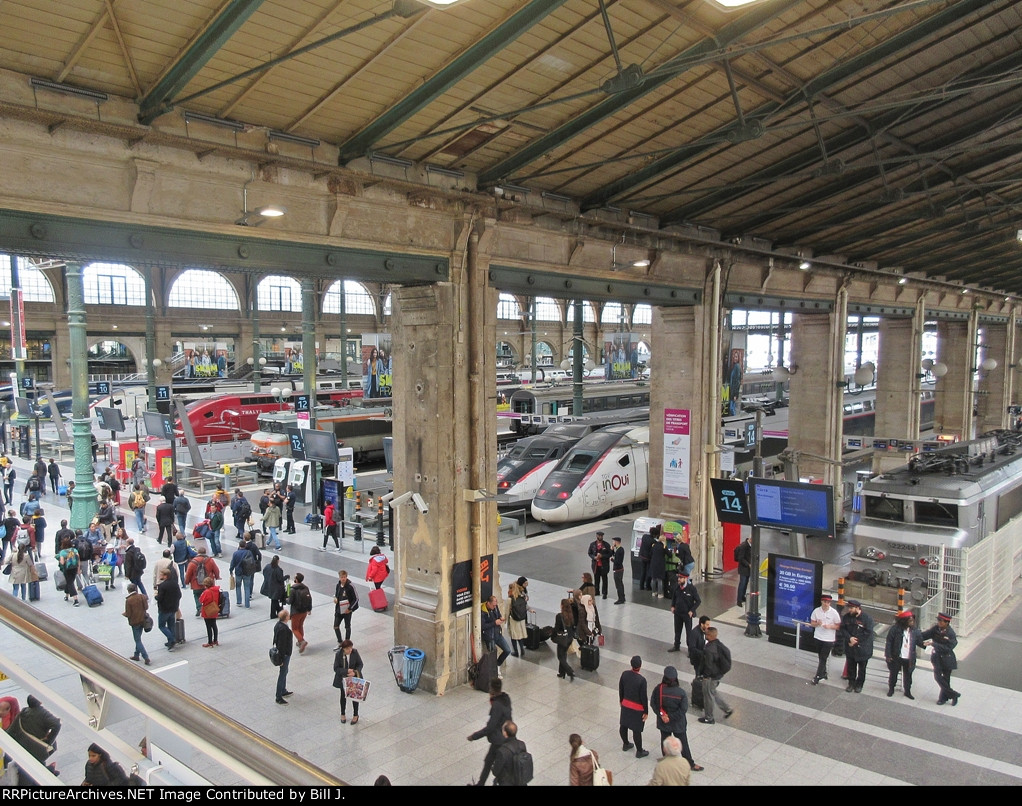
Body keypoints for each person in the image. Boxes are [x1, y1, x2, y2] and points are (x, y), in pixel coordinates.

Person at [650, 665, 702, 771]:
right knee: (683, 742)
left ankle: (666, 762)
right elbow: (683, 710)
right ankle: (690, 763)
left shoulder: (658, 689)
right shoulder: (681, 692)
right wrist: (671, 717)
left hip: (663, 722)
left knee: (665, 741)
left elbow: (653, 703)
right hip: (678, 723)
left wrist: (662, 715)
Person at [2, 694, 61, 783]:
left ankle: (47, 772)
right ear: (40, 702)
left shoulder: (23, 712)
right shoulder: (43, 713)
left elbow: (11, 731)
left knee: (26, 770)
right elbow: (56, 725)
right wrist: (49, 740)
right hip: (38, 750)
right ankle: (48, 773)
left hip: (24, 747)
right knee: (36, 769)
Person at [467, 677, 513, 786]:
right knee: (492, 763)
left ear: (491, 689)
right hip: (507, 737)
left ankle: (482, 784)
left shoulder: (497, 705)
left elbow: (490, 727)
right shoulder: (506, 699)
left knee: (490, 763)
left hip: (498, 740)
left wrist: (474, 736)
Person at [921, 612, 961, 705]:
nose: (938, 622)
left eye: (941, 621)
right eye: (938, 620)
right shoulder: (936, 629)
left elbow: (948, 648)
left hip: (947, 658)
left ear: (947, 622)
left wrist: (934, 644)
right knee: (938, 677)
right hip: (937, 657)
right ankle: (953, 694)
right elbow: (925, 635)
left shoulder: (950, 633)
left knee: (946, 679)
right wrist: (916, 635)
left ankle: (943, 698)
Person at [698, 627, 734, 724]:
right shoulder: (719, 645)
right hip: (718, 674)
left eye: (706, 634)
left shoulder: (709, 649)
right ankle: (727, 709)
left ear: (710, 635)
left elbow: (708, 665)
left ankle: (709, 717)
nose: (705, 635)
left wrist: (705, 675)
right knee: (713, 692)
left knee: (708, 696)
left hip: (710, 677)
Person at [885, 610, 923, 698]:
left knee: (908, 676)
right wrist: (888, 655)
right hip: (897, 656)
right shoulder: (895, 629)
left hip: (909, 658)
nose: (912, 622)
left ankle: (907, 691)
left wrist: (925, 645)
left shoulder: (915, 631)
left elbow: (919, 641)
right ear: (904, 621)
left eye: (912, 620)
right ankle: (891, 689)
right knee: (893, 674)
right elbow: (889, 642)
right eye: (910, 621)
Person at [840, 600, 875, 694]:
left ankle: (859, 684)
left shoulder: (867, 618)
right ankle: (851, 683)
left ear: (857, 608)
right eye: (849, 608)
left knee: (862, 668)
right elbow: (843, 629)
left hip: (863, 649)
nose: (849, 610)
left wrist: (855, 640)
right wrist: (849, 638)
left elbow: (868, 633)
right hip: (850, 647)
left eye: (851, 608)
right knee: (851, 667)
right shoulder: (847, 617)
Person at [619, 655, 649, 758]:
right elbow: (643, 697)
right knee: (636, 730)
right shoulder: (642, 680)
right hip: (637, 708)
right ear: (640, 666)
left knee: (623, 725)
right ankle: (639, 751)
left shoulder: (624, 674)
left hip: (626, 704)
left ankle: (626, 743)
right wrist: (646, 711)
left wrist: (621, 700)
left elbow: (621, 688)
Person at [809, 593, 842, 685]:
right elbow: (812, 623)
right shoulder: (816, 611)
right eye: (824, 602)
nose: (826, 604)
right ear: (821, 601)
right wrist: (817, 624)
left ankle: (818, 676)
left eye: (828, 602)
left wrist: (830, 626)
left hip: (829, 639)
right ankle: (823, 673)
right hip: (818, 636)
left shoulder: (834, 613)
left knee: (823, 657)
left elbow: (838, 626)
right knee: (820, 656)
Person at [333, 639, 364, 724]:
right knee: (343, 696)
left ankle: (356, 715)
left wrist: (355, 672)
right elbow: (336, 668)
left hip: (353, 679)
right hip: (343, 679)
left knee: (355, 697)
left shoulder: (354, 652)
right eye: (347, 649)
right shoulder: (339, 655)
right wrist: (346, 671)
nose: (350, 650)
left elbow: (360, 664)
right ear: (343, 649)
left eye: (350, 648)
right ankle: (343, 713)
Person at [668, 572, 700, 652]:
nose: (679, 579)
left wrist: (692, 610)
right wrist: (673, 606)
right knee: (677, 631)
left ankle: (690, 649)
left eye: (681, 578)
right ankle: (676, 646)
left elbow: (698, 601)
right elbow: (674, 597)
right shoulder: (677, 587)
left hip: (687, 615)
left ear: (685, 579)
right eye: (678, 577)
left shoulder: (691, 589)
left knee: (689, 632)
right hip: (678, 613)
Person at [481, 594, 512, 677]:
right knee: (492, 654)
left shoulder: (495, 607)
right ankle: (493, 671)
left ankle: (497, 665)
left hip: (497, 633)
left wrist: (501, 618)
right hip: (489, 636)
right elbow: (483, 626)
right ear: (488, 603)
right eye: (493, 605)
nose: (495, 607)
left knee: (507, 650)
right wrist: (494, 623)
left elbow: (498, 614)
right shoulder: (483, 612)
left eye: (496, 605)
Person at [184, 547, 219, 617]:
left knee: (196, 595)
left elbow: (188, 574)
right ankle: (209, 609)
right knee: (209, 596)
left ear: (198, 552)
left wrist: (186, 581)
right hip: (208, 583)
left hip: (196, 584)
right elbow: (216, 570)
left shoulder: (192, 562)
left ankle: (199, 607)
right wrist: (217, 576)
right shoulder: (210, 560)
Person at [491, 721, 528, 787]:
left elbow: (496, 771)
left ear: (505, 733)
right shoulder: (522, 744)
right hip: (520, 780)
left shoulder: (502, 750)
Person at [122, 582, 151, 665]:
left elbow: (129, 613)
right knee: (138, 638)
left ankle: (145, 657)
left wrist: (124, 614)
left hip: (135, 622)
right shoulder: (142, 597)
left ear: (128, 590)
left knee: (137, 640)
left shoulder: (129, 600)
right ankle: (136, 655)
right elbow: (146, 607)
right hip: (143, 620)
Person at [154, 567, 182, 651]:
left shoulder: (162, 586)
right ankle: (170, 642)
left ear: (165, 576)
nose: (160, 576)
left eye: (161, 574)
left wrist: (156, 597)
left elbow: (160, 598)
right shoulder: (174, 583)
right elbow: (179, 595)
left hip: (164, 609)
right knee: (171, 625)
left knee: (162, 626)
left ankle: (172, 639)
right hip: (173, 608)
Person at [287, 572, 313, 653]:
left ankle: (302, 641)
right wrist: (309, 609)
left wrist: (286, 599)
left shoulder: (293, 589)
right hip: (304, 611)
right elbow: (310, 599)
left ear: (296, 580)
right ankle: (299, 641)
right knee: (300, 626)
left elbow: (290, 601)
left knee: (294, 628)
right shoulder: (305, 588)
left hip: (296, 612)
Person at [273, 609, 294, 704]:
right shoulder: (283, 629)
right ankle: (278, 696)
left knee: (285, 671)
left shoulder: (278, 625)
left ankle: (283, 690)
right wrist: (281, 659)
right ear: (286, 617)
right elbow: (281, 645)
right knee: (282, 673)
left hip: (284, 653)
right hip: (284, 654)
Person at [229, 537, 257, 608]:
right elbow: (252, 562)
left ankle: (239, 601)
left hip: (238, 572)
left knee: (238, 586)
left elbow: (233, 563)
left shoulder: (235, 553)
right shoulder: (249, 552)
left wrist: (231, 570)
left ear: (239, 546)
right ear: (245, 545)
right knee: (247, 587)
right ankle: (247, 604)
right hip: (247, 572)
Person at [333, 569, 359, 647]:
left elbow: (356, 598)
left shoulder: (350, 586)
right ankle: (340, 641)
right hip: (339, 609)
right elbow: (337, 594)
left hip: (347, 610)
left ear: (346, 577)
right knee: (336, 626)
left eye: (344, 577)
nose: (343, 579)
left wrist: (350, 608)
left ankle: (347, 641)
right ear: (339, 577)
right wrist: (335, 599)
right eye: (341, 577)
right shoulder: (338, 585)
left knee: (347, 626)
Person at [554, 598, 576, 681]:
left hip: (562, 638)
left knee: (560, 656)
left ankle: (570, 671)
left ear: (562, 606)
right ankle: (561, 672)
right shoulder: (571, 615)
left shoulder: (559, 616)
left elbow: (556, 628)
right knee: (564, 654)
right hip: (569, 638)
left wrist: (553, 636)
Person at [261, 555, 288, 619]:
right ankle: (274, 614)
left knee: (274, 600)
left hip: (269, 586)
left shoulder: (268, 566)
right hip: (276, 588)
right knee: (274, 600)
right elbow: (280, 579)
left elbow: (264, 573)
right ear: (278, 561)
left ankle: (277, 612)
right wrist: (286, 577)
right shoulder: (278, 570)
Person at [587, 530, 612, 599]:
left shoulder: (606, 545)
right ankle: (597, 591)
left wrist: (602, 556)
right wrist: (594, 557)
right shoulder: (592, 544)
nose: (600, 537)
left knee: (604, 579)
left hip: (604, 565)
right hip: (596, 565)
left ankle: (604, 593)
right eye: (599, 536)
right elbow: (589, 553)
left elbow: (610, 554)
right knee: (596, 579)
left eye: (601, 536)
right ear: (597, 536)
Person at [506, 579, 529, 656]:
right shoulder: (522, 597)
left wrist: (505, 620)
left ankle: (516, 652)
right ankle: (522, 650)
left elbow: (507, 611)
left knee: (513, 636)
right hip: (521, 619)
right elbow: (525, 606)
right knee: (520, 636)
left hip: (513, 619)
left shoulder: (510, 599)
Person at [57, 537, 81, 606]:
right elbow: (78, 560)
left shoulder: (62, 552)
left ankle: (75, 599)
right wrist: (79, 569)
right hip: (74, 568)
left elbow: (62, 562)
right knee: (70, 582)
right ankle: (67, 595)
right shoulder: (75, 550)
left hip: (67, 569)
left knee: (70, 583)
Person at [198, 576, 221, 647]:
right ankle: (215, 640)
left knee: (208, 627)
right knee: (214, 625)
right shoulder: (216, 590)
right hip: (214, 609)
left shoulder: (207, 592)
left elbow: (201, 600)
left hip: (207, 611)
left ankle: (210, 642)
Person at [649, 528, 667, 598]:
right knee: (659, 579)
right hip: (660, 565)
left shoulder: (654, 545)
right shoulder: (663, 546)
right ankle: (660, 594)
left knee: (653, 578)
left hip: (653, 564)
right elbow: (669, 554)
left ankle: (653, 592)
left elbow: (650, 553)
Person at [638, 524, 657, 591]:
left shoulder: (644, 536)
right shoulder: (653, 541)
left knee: (643, 571)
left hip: (642, 556)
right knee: (648, 572)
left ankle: (641, 586)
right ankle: (648, 586)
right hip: (648, 558)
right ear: (654, 534)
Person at [734, 535, 752, 606]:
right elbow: (740, 558)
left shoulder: (750, 546)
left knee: (745, 583)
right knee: (742, 583)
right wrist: (748, 564)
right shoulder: (744, 546)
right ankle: (739, 600)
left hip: (747, 569)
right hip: (743, 568)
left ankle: (742, 596)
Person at [610, 536, 626, 604]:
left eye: (613, 541)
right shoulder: (619, 549)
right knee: (620, 584)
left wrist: (612, 560)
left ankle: (621, 599)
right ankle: (622, 597)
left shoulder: (620, 550)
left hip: (618, 570)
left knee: (618, 585)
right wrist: (612, 550)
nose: (613, 542)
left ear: (616, 542)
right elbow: (615, 555)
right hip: (619, 569)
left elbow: (618, 561)